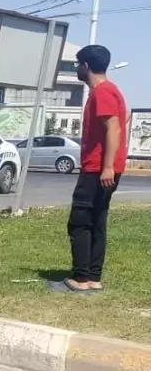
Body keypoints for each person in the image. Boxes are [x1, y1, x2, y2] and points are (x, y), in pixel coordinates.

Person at [61, 44, 128, 294]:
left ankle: (81, 278)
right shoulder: (111, 91)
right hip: (103, 167)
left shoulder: (102, 92)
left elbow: (113, 127)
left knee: (80, 221)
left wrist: (108, 166)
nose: (77, 69)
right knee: (97, 220)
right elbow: (121, 120)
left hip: (98, 168)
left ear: (86, 67)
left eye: (78, 65)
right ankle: (93, 278)